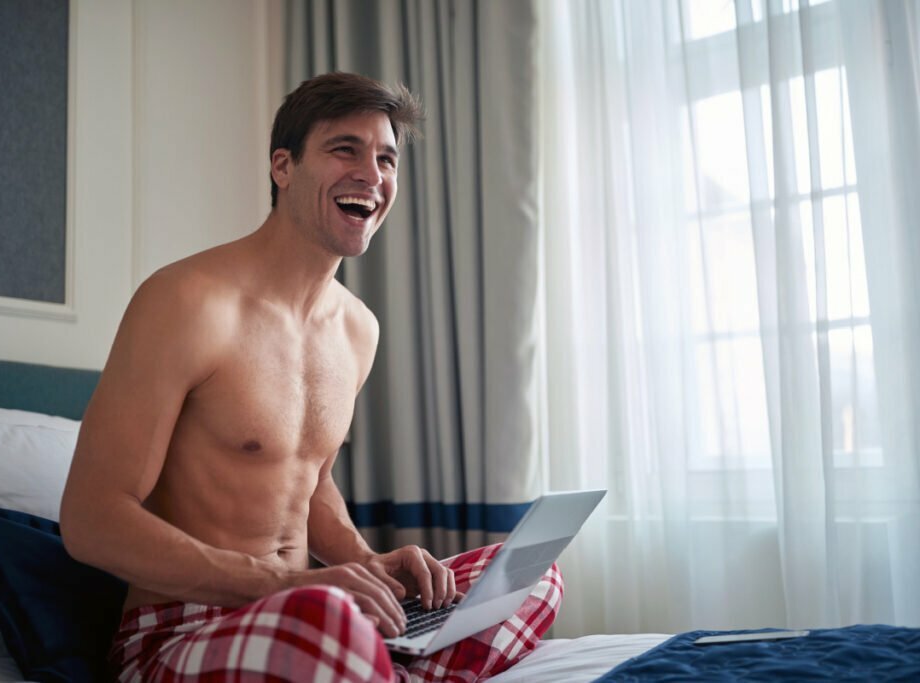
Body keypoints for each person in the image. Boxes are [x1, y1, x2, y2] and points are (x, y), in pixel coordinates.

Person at [60, 72, 560, 683]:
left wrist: (368, 566)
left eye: (386, 159)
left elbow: (305, 478)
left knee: (532, 574)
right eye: (344, 149)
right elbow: (91, 519)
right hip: (183, 629)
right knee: (326, 622)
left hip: (319, 615)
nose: (371, 175)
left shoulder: (357, 329)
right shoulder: (186, 302)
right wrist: (294, 585)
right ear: (283, 167)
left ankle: (381, 661)